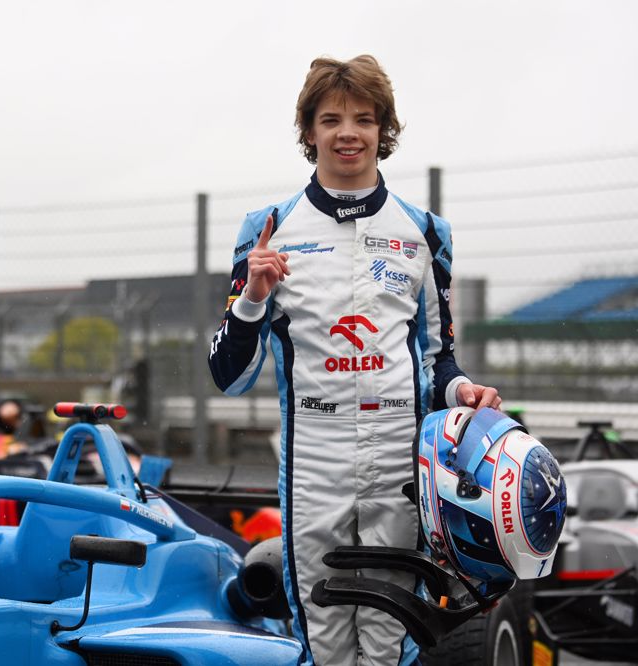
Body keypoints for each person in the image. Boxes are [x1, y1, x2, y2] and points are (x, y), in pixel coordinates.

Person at [207, 55, 502, 666]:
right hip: (315, 454)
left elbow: (437, 359)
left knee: (394, 629)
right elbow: (228, 377)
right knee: (325, 628)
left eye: (364, 120)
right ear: (309, 130)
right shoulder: (267, 229)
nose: (349, 132)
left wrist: (464, 391)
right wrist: (253, 299)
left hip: (399, 451)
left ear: (382, 132)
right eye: (332, 118)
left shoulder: (425, 232)